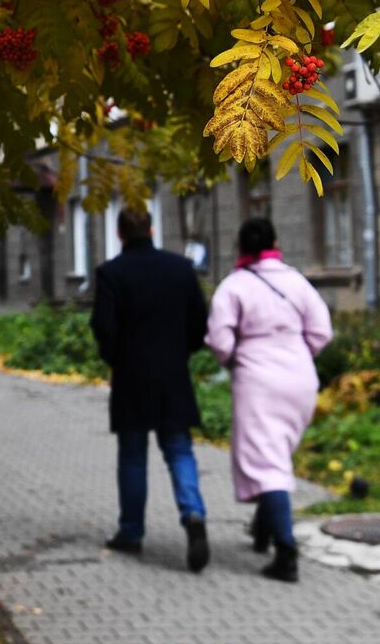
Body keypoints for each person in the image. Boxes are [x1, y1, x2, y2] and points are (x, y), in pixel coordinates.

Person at [205, 217, 334, 583]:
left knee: (267, 463)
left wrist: (236, 360)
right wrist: (297, 354)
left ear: (241, 247)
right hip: (300, 378)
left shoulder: (233, 287)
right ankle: (263, 530)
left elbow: (219, 341)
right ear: (275, 243)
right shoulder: (297, 281)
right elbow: (322, 331)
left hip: (258, 380)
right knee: (276, 454)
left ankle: (286, 552)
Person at [90, 205, 212, 572]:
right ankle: (193, 514)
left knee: (132, 455)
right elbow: (199, 323)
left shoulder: (111, 273)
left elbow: (103, 328)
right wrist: (180, 352)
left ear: (120, 234)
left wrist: (117, 359)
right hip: (173, 374)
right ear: (153, 230)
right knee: (179, 450)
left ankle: (131, 531)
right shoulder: (181, 269)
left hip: (131, 377)